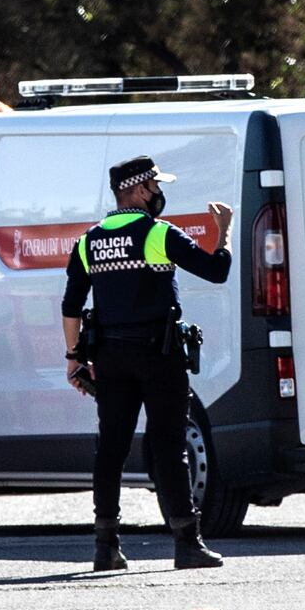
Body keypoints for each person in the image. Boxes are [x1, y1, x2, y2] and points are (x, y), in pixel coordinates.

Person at [61, 156, 232, 572]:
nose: (159, 194)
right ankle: (187, 544)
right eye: (154, 186)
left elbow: (71, 304)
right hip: (158, 356)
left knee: (112, 449)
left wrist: (73, 359)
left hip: (110, 359)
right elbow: (217, 271)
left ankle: (106, 547)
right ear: (138, 191)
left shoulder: (89, 241)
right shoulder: (157, 234)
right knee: (168, 447)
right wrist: (223, 231)